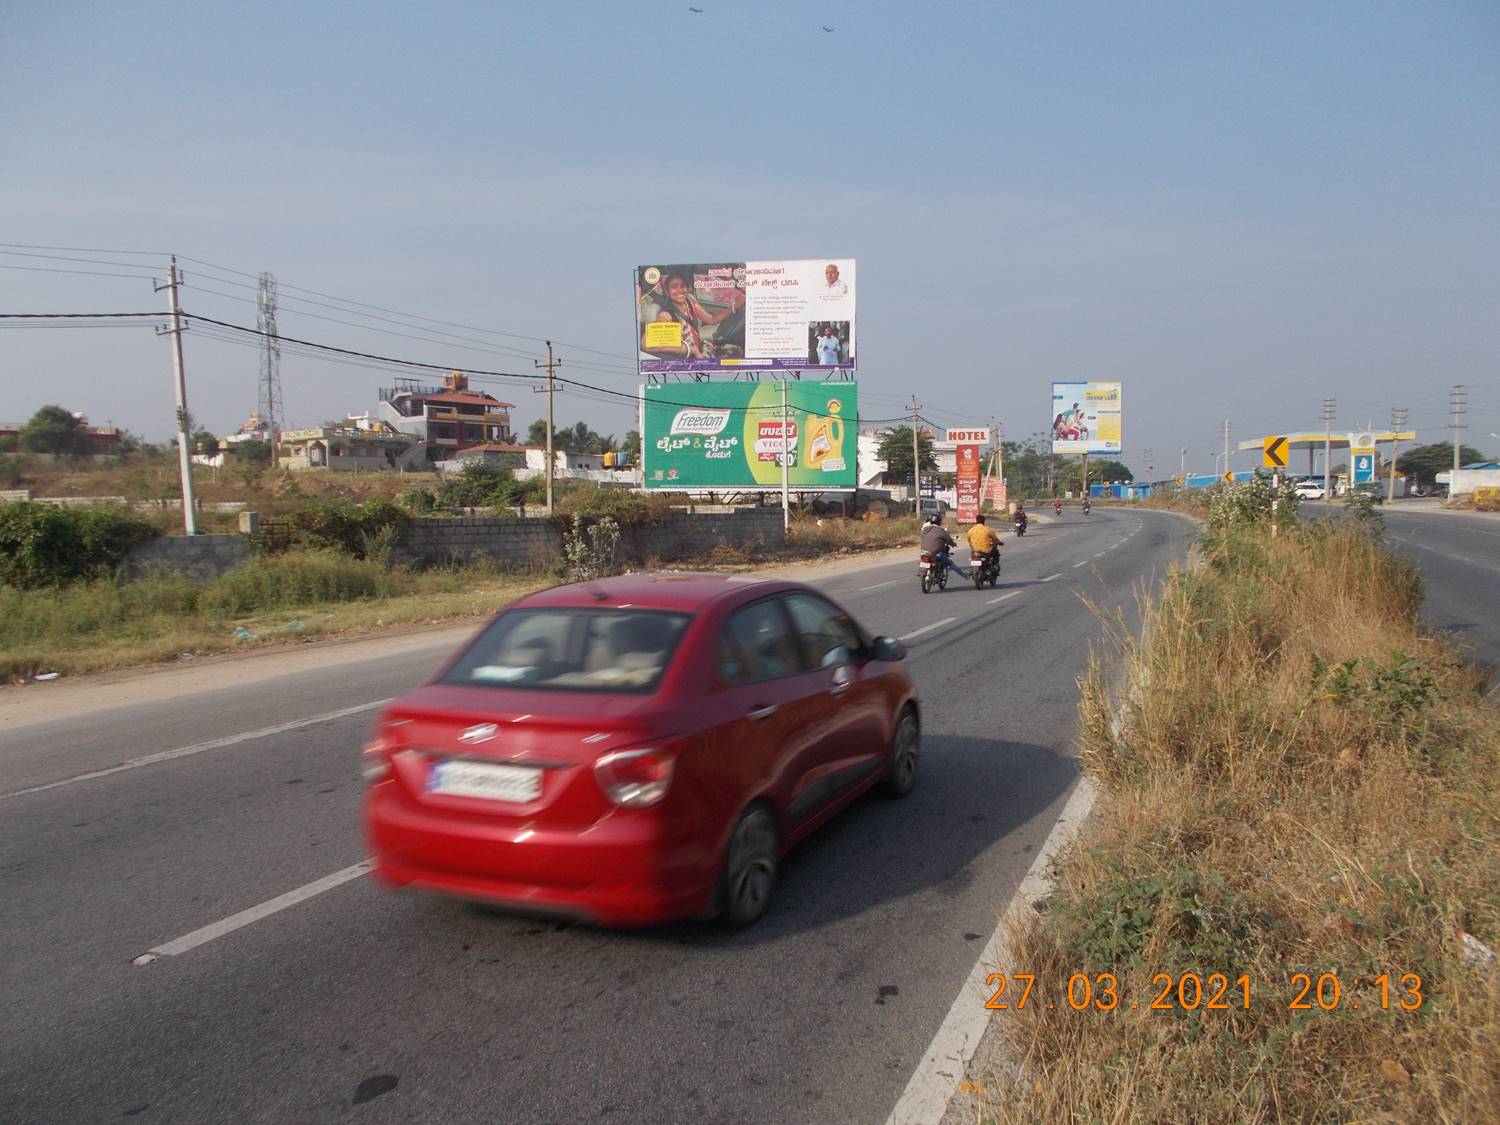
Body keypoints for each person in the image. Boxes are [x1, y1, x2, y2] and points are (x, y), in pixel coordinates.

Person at [641, 273, 742, 359]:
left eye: (683, 285)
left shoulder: (689, 301)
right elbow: (646, 343)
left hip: (703, 347)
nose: (680, 290)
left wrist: (734, 306)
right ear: (667, 292)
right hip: (694, 358)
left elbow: (711, 319)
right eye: (674, 286)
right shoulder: (667, 316)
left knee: (738, 350)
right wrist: (690, 349)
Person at [920, 512, 969, 580]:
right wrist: (953, 544)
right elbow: (948, 539)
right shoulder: (940, 530)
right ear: (939, 522)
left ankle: (923, 572)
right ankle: (964, 575)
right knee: (950, 563)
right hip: (936, 553)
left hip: (924, 551)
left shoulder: (924, 530)